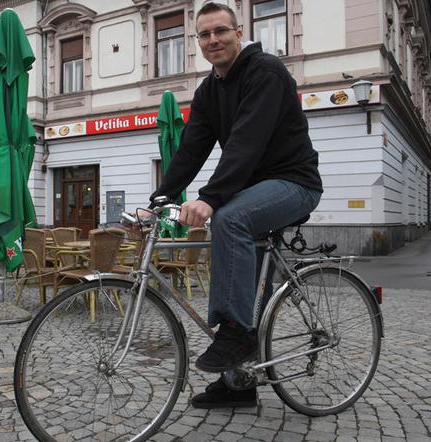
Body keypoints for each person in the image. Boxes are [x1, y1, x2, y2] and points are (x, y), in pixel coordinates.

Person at [149, 2, 322, 409]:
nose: (213, 40)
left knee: (229, 218)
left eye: (221, 31)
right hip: (253, 190)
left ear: (238, 31)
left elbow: (246, 141)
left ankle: (235, 334)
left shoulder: (266, 71)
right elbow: (190, 150)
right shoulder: (210, 90)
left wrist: (210, 198)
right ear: (198, 42)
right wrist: (159, 198)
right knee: (246, 277)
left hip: (294, 183)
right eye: (204, 35)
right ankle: (238, 384)